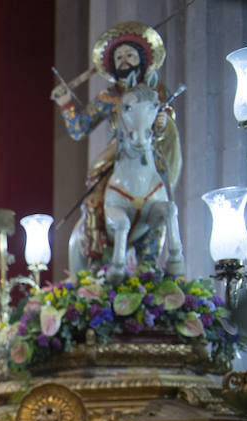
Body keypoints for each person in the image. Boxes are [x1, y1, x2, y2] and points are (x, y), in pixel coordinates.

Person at [51, 21, 180, 265]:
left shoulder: (156, 91)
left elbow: (167, 116)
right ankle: (94, 252)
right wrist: (66, 103)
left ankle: (153, 259)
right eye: (119, 56)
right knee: (94, 192)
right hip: (117, 152)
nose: (124, 60)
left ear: (142, 59)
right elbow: (80, 129)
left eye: (130, 55)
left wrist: (163, 122)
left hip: (151, 149)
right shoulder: (107, 97)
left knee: (163, 201)